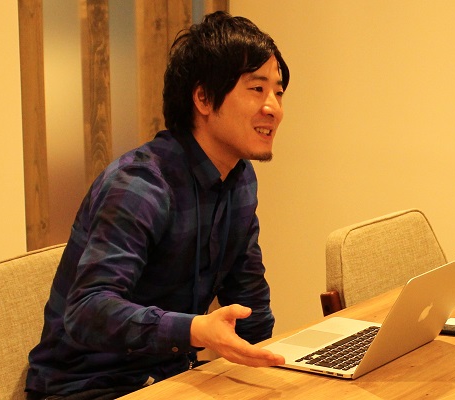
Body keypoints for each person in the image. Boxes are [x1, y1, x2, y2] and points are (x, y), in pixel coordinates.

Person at [25, 11, 290, 400]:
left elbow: (249, 301)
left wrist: (278, 369)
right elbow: (87, 309)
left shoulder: (239, 179)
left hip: (172, 380)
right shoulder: (141, 184)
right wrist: (195, 330)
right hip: (89, 387)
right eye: (256, 88)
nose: (274, 108)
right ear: (203, 98)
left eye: (278, 92)